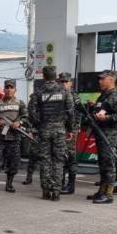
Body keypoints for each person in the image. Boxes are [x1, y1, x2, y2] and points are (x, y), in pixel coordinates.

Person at [28, 67, 75, 201]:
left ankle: (46, 191)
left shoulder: (38, 92)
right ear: (56, 77)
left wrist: (39, 124)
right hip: (60, 130)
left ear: (44, 76)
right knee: (58, 161)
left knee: (45, 160)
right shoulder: (65, 91)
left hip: (44, 130)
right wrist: (70, 129)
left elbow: (31, 112)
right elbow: (71, 112)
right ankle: (56, 191)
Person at [87, 70, 117, 204]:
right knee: (103, 164)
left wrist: (107, 117)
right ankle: (102, 191)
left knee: (108, 163)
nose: (99, 81)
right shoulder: (104, 96)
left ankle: (109, 194)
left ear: (111, 80)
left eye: (102, 79)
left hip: (109, 135)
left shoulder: (115, 96)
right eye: (99, 79)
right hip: (101, 133)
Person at [59, 72, 81, 195]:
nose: (63, 84)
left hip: (70, 132)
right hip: (59, 130)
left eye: (65, 82)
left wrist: (73, 130)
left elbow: (78, 115)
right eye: (61, 81)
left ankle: (71, 185)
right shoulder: (57, 96)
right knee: (60, 157)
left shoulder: (74, 96)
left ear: (71, 83)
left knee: (71, 157)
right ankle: (60, 182)